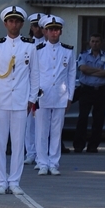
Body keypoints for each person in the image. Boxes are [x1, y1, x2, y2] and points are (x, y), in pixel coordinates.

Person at [0, 5, 39, 195]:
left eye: (17, 21)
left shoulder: (29, 45)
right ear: (5, 23)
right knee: (0, 143)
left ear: (21, 23)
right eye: (11, 21)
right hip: (1, 100)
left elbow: (34, 74)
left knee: (18, 144)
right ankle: (1, 181)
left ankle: (15, 181)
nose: (14, 24)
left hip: (20, 100)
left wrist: (31, 98)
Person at [34, 15, 76, 175]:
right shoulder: (37, 50)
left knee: (56, 131)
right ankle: (42, 162)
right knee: (41, 131)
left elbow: (72, 74)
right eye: (51, 29)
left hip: (60, 94)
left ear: (61, 31)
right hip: (42, 95)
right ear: (45, 31)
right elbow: (34, 73)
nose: (54, 32)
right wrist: (33, 94)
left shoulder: (68, 50)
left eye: (56, 29)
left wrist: (70, 96)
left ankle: (54, 163)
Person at [73, 34, 105, 153]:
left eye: (97, 41)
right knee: (82, 118)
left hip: (100, 90)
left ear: (101, 43)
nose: (95, 43)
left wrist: (91, 71)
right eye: (93, 41)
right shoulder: (84, 54)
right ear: (89, 42)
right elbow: (83, 69)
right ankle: (79, 145)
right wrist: (100, 71)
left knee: (99, 119)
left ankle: (93, 146)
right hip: (86, 90)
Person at [24, 13, 46, 167]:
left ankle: (41, 155)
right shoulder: (27, 43)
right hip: (28, 87)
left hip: (44, 89)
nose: (37, 28)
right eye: (34, 25)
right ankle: (30, 152)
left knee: (42, 125)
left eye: (40, 26)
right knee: (28, 125)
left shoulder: (49, 44)